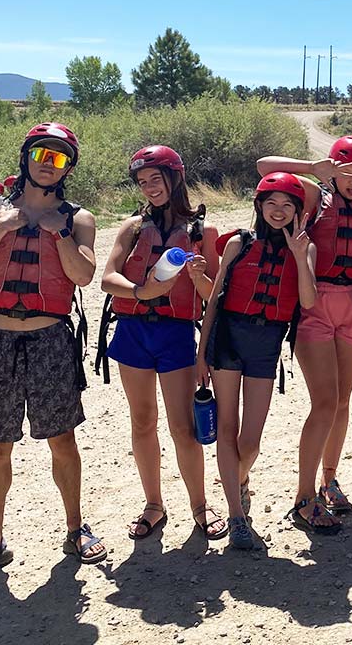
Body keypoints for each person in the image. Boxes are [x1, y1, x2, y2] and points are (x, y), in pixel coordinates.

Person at [0, 122, 106, 584]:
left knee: (62, 439)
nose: (47, 162)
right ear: (26, 157)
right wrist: (0, 230)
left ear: (67, 168)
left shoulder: (78, 219)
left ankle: (76, 528)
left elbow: (82, 276)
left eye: (58, 157)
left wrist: (59, 236)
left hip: (50, 341)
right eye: (41, 153)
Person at [256, 137, 352, 535]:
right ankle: (303, 496)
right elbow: (265, 166)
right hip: (315, 305)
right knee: (325, 402)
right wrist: (313, 168)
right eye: (346, 173)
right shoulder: (316, 197)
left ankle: (329, 480)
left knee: (342, 401)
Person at [99, 146, 227, 542]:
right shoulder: (132, 227)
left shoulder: (203, 233)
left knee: (183, 427)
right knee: (142, 422)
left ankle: (200, 506)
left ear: (175, 178)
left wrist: (201, 274)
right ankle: (154, 504)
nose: (150, 188)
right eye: (143, 182)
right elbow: (107, 279)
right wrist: (144, 291)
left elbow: (213, 297)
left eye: (157, 179)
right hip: (133, 331)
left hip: (175, 335)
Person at [195, 172, 316, 549]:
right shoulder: (239, 244)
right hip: (228, 337)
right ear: (259, 207)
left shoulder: (304, 248)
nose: (278, 212)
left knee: (250, 442)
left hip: (266, 343)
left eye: (287, 206)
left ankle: (239, 478)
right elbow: (214, 300)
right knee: (227, 428)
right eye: (271, 204)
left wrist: (298, 255)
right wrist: (201, 354)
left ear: (297, 211)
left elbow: (308, 302)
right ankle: (236, 516)